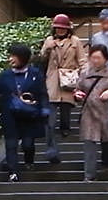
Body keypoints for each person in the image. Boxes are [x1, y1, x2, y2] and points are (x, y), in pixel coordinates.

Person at [0, 42, 49, 180]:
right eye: (10, 56)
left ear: (23, 58)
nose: (10, 59)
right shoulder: (6, 75)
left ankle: (29, 161)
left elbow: (42, 93)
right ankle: (13, 172)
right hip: (10, 115)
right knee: (11, 144)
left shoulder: (35, 74)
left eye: (14, 56)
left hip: (29, 115)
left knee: (28, 143)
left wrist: (44, 108)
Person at [37, 14, 86, 165]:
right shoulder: (49, 40)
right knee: (50, 119)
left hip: (68, 79)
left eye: (62, 28)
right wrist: (47, 49)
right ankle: (51, 149)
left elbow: (82, 60)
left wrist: (83, 77)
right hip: (52, 80)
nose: (60, 31)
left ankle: (65, 127)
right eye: (57, 28)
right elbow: (41, 60)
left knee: (66, 112)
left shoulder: (75, 41)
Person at [73, 44, 108, 180]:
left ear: (105, 59)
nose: (95, 60)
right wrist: (77, 95)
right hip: (88, 112)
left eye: (98, 58)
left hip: (106, 112)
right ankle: (89, 175)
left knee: (107, 141)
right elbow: (77, 89)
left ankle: (107, 162)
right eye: (93, 57)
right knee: (89, 143)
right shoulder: (84, 74)